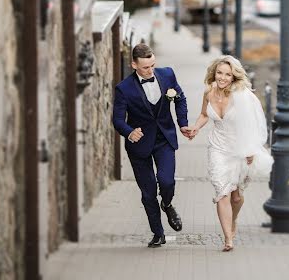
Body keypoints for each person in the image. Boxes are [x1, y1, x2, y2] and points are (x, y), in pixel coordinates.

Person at [189, 55, 273, 252]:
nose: (223, 77)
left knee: (236, 197)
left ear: (234, 77)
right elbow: (204, 114)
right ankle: (228, 238)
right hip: (217, 148)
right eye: (219, 73)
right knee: (222, 192)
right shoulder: (209, 92)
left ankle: (233, 219)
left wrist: (250, 149)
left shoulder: (242, 95)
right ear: (214, 73)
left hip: (240, 149)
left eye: (227, 74)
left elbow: (253, 123)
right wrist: (196, 128)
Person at [113, 43, 191, 248]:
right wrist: (129, 132)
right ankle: (158, 233)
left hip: (164, 139)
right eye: (146, 67)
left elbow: (180, 99)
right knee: (148, 193)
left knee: (166, 181)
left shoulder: (167, 75)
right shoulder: (123, 89)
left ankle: (167, 204)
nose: (151, 71)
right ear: (134, 65)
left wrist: (182, 124)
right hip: (139, 146)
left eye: (153, 66)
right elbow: (118, 119)